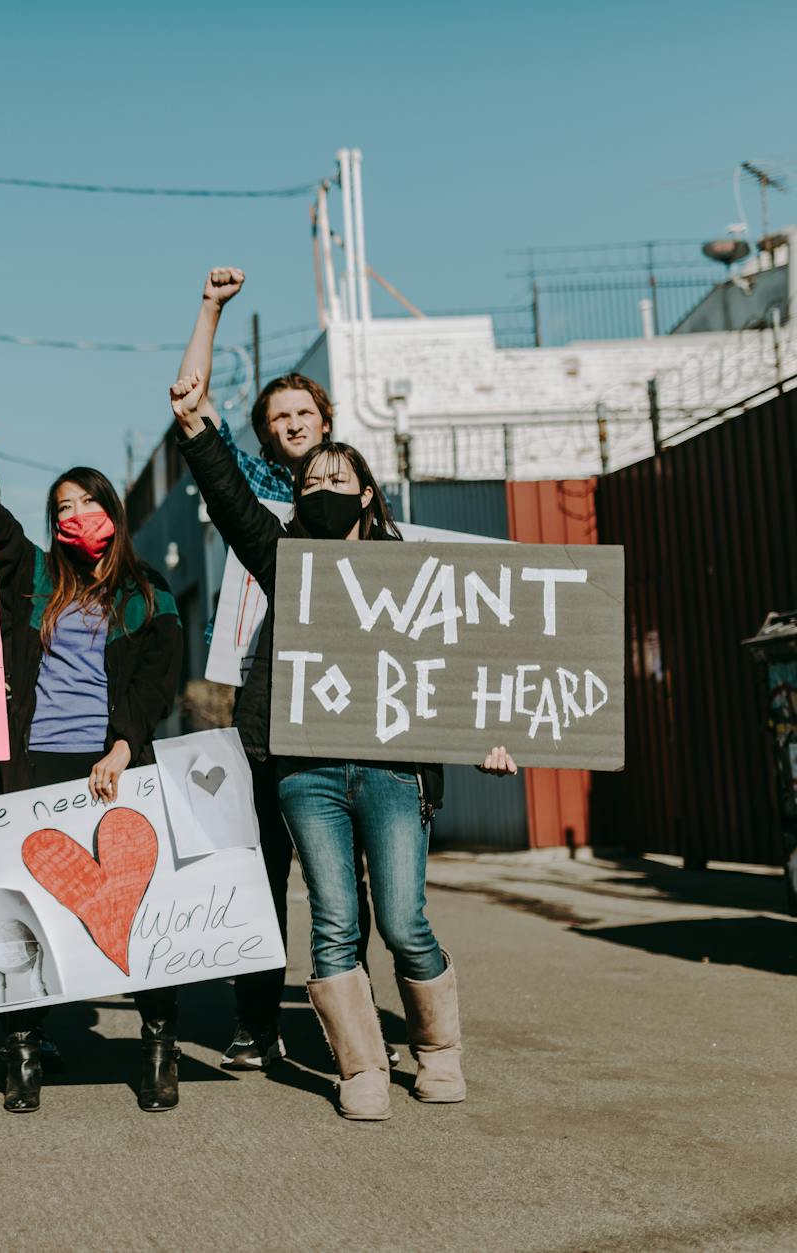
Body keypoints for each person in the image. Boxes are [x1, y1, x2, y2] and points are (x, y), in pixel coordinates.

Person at [169, 367, 517, 1122]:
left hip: (394, 773)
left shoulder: (413, 573)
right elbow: (228, 496)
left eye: (338, 474)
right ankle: (358, 1066)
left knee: (402, 920)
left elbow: (457, 667)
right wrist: (196, 426)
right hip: (308, 773)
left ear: (365, 492)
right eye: (312, 479)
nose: (323, 482)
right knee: (333, 919)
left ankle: (438, 1049)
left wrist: (489, 732)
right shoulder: (283, 560)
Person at [175, 266, 383, 1072]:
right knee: (264, 865)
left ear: (327, 420)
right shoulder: (260, 492)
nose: (295, 425)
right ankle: (256, 1020)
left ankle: (350, 1019)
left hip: (348, 705)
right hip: (262, 695)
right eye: (279, 418)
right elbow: (193, 408)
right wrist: (210, 311)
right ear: (266, 437)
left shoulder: (366, 497)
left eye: (306, 412)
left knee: (345, 875)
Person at [0, 407, 187, 1114]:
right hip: (36, 763)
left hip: (113, 763)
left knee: (140, 910)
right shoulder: (34, 578)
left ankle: (157, 1042)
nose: (77, 513)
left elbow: (159, 678)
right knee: (25, 909)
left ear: (112, 509)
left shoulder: (148, 592)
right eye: (64, 506)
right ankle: (22, 1046)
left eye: (88, 501)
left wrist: (122, 744)